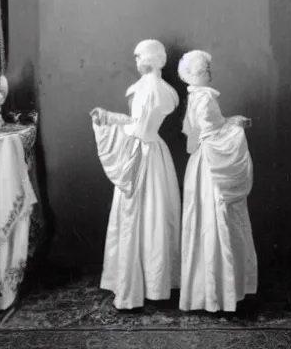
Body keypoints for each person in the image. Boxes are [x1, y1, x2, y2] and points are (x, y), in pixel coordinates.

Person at [90, 39, 181, 309]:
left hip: (142, 155)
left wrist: (108, 125)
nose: (135, 59)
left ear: (150, 58)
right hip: (155, 153)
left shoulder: (149, 89)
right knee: (155, 214)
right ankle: (156, 281)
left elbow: (139, 130)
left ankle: (138, 284)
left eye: (138, 55)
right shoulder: (161, 88)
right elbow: (140, 123)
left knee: (138, 213)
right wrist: (110, 118)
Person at [177, 50, 257, 312]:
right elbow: (212, 133)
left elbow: (210, 128)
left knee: (208, 220)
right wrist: (234, 130)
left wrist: (233, 122)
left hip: (200, 163)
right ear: (190, 75)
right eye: (202, 71)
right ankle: (217, 293)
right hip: (209, 164)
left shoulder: (195, 97)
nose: (208, 73)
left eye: (208, 69)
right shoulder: (203, 99)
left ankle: (208, 291)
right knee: (216, 218)